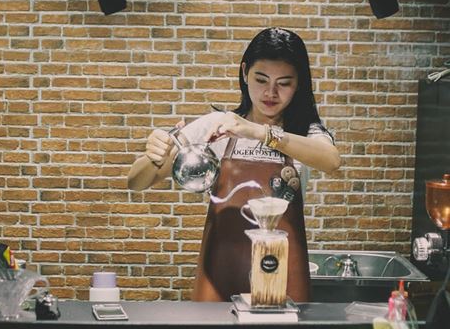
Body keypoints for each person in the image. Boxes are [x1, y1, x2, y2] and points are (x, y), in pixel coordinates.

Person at [127, 27, 341, 302]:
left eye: (284, 83)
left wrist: (258, 131)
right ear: (244, 73)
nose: (270, 92)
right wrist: (154, 154)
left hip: (279, 275)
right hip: (219, 272)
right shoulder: (218, 127)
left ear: (298, 84)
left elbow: (331, 160)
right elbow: (137, 181)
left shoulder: (304, 134)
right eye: (261, 79)